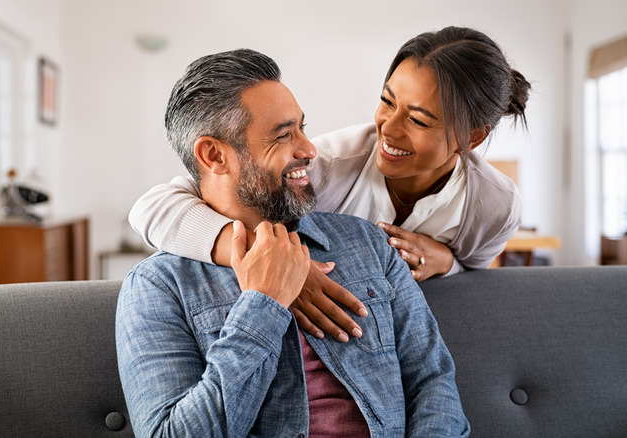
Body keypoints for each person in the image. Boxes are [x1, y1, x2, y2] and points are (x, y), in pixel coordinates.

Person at [116, 48, 469, 437]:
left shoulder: (368, 242)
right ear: (214, 155)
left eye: (302, 127)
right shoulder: (158, 287)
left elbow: (433, 381)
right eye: (284, 135)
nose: (309, 149)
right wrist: (262, 306)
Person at [128, 26, 531, 342]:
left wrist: (448, 263)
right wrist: (274, 262)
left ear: (472, 137)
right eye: (387, 101)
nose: (387, 129)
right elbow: (153, 208)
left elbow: (475, 278)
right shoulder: (328, 165)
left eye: (419, 120)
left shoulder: (494, 206)